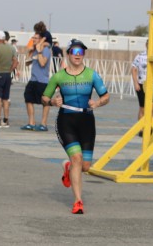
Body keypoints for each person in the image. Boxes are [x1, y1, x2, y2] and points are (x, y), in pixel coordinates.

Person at [42, 40, 110, 214]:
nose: (78, 55)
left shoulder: (92, 75)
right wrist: (52, 102)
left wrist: (97, 103)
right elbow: (44, 98)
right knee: (77, 158)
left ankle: (68, 167)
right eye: (75, 51)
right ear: (68, 54)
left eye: (81, 52)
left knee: (85, 166)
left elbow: (106, 96)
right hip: (66, 121)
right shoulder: (58, 77)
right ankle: (78, 201)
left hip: (87, 122)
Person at [22, 25, 52, 131]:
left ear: (41, 39)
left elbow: (43, 63)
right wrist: (30, 52)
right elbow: (27, 63)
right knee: (28, 99)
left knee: (45, 102)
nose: (33, 39)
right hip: (33, 80)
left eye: (35, 38)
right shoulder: (35, 50)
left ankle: (43, 124)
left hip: (42, 81)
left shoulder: (45, 50)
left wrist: (39, 51)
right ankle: (31, 123)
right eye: (33, 37)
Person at [131, 40, 153, 124]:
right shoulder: (140, 56)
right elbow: (133, 69)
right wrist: (136, 83)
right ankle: (141, 127)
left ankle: (152, 126)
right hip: (142, 83)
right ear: (146, 45)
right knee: (143, 108)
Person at [0, 31, 15, 128]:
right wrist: (10, 70)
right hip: (7, 75)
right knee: (6, 98)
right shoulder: (11, 48)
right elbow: (15, 61)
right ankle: (5, 120)